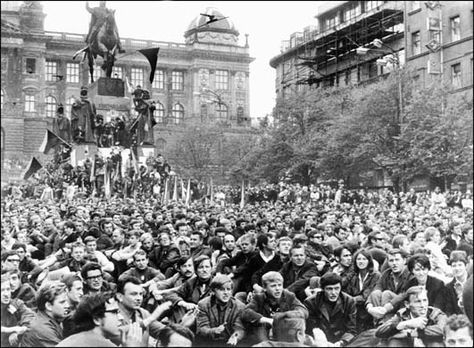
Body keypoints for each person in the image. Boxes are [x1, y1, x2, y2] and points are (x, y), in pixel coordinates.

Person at [241, 271, 308, 345]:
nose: (277, 289)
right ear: (264, 288)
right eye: (273, 286)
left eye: (280, 285)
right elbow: (245, 312)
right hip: (265, 330)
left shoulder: (289, 296)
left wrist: (283, 316)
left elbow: (304, 311)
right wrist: (265, 320)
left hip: (285, 329)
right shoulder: (259, 298)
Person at [56, 291, 143, 347]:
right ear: (97, 319)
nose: (120, 318)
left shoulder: (72, 340)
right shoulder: (103, 344)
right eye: (114, 312)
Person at [375, 286, 447, 347]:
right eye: (418, 301)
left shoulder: (436, 314)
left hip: (428, 344)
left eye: (425, 300)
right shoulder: (403, 313)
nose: (423, 305)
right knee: (394, 342)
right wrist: (405, 324)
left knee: (436, 344)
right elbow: (379, 332)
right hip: (410, 344)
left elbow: (442, 329)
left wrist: (412, 333)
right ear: (407, 304)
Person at [304, 272, 357, 347]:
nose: (333, 293)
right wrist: (322, 342)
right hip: (319, 340)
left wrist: (341, 343)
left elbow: (351, 330)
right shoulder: (311, 302)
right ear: (322, 289)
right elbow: (310, 328)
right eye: (329, 289)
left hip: (341, 341)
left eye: (337, 288)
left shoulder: (349, 301)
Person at [116, 275, 170, 347]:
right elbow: (119, 333)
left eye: (140, 294)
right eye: (134, 294)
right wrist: (149, 319)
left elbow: (164, 332)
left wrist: (184, 325)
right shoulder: (108, 315)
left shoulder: (142, 313)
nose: (139, 298)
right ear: (120, 297)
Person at [196, 274, 245, 346]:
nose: (226, 293)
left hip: (230, 343)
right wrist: (214, 331)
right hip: (209, 342)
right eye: (222, 289)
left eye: (228, 289)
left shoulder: (240, 306)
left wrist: (235, 336)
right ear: (213, 291)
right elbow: (202, 328)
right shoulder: (203, 304)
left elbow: (240, 328)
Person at [21, 281, 71, 347]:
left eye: (67, 301)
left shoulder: (50, 320)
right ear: (48, 306)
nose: (67, 305)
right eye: (62, 302)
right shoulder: (42, 329)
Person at [343, 249, 381, 333]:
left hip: (367, 309)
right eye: (358, 259)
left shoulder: (375, 275)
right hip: (354, 308)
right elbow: (346, 291)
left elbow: (365, 296)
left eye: (364, 259)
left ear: (369, 261)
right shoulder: (354, 275)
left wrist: (348, 300)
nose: (361, 262)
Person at [1, 275, 35, 347]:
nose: (6, 294)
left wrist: (19, 331)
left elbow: (30, 316)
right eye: (2, 290)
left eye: (8, 289)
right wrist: (13, 329)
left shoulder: (16, 303)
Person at [445, 250, 469, 316]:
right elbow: (448, 310)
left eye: (460, 265)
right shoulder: (448, 287)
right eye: (454, 266)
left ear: (466, 266)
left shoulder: (471, 282)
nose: (457, 268)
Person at [62, 273, 84, 338]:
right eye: (78, 289)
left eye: (82, 289)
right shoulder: (61, 311)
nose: (82, 293)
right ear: (66, 290)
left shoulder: (79, 306)